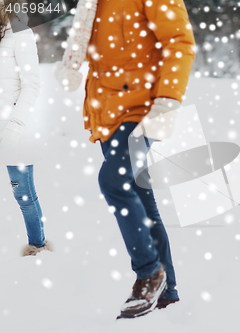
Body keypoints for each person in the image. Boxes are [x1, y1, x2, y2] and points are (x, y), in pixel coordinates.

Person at [55, 0, 195, 318]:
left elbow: (179, 43)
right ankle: (168, 290)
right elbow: (98, 53)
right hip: (106, 112)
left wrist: (167, 101)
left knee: (113, 181)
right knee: (142, 199)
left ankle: (149, 274)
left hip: (142, 110)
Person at [0, 0, 52, 256]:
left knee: (23, 196)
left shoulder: (20, 32)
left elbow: (32, 84)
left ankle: (37, 246)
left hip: (14, 129)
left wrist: (14, 127)